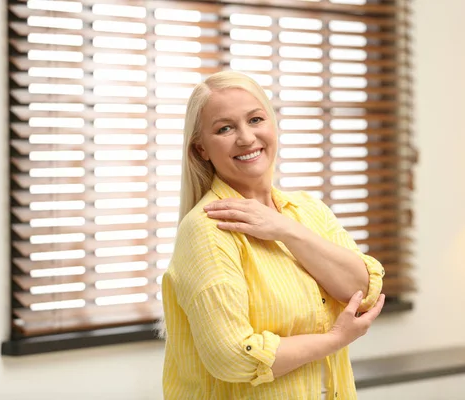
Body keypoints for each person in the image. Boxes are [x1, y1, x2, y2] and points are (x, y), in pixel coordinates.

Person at [161, 71, 385, 400]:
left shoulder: (307, 210)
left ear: (273, 125)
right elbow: (233, 357)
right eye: (224, 128)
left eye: (255, 119)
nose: (246, 138)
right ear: (201, 149)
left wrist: (287, 230)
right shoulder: (208, 229)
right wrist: (335, 339)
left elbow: (364, 290)